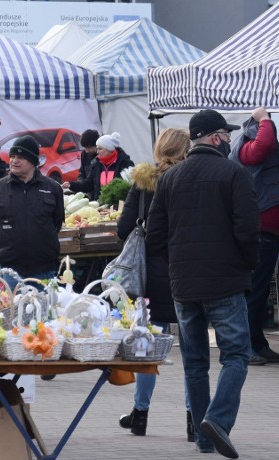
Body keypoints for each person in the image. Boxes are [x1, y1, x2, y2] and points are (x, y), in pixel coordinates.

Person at [145, 109, 259, 459]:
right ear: (214, 137)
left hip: (184, 285)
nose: (230, 140)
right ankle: (217, 421)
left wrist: (177, 264)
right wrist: (246, 267)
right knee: (236, 355)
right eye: (227, 134)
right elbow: (248, 230)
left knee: (195, 362)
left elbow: (155, 236)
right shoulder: (234, 173)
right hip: (225, 282)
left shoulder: (169, 178)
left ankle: (204, 436)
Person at [115, 128, 191, 438]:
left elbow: (123, 228)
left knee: (146, 348)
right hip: (187, 272)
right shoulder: (192, 179)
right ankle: (193, 416)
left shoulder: (143, 181)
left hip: (150, 277)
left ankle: (141, 414)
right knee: (192, 351)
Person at [229, 106, 279, 366]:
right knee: (254, 294)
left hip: (266, 235)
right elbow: (264, 145)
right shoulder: (248, 145)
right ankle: (247, 347)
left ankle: (257, 344)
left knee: (259, 295)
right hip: (260, 235)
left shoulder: (244, 145)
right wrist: (264, 119)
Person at [0, 135, 64, 290]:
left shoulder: (53, 188)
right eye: (12, 156)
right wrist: (4, 238)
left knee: (44, 312)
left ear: (33, 161)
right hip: (10, 268)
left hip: (43, 268)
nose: (14, 161)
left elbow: (57, 222)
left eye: (20, 157)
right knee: (10, 311)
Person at [63, 132, 134, 201]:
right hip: (100, 204)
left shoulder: (125, 163)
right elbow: (88, 184)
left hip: (118, 205)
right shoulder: (96, 163)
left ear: (109, 149)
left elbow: (129, 187)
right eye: (97, 149)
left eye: (100, 149)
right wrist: (71, 185)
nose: (97, 152)